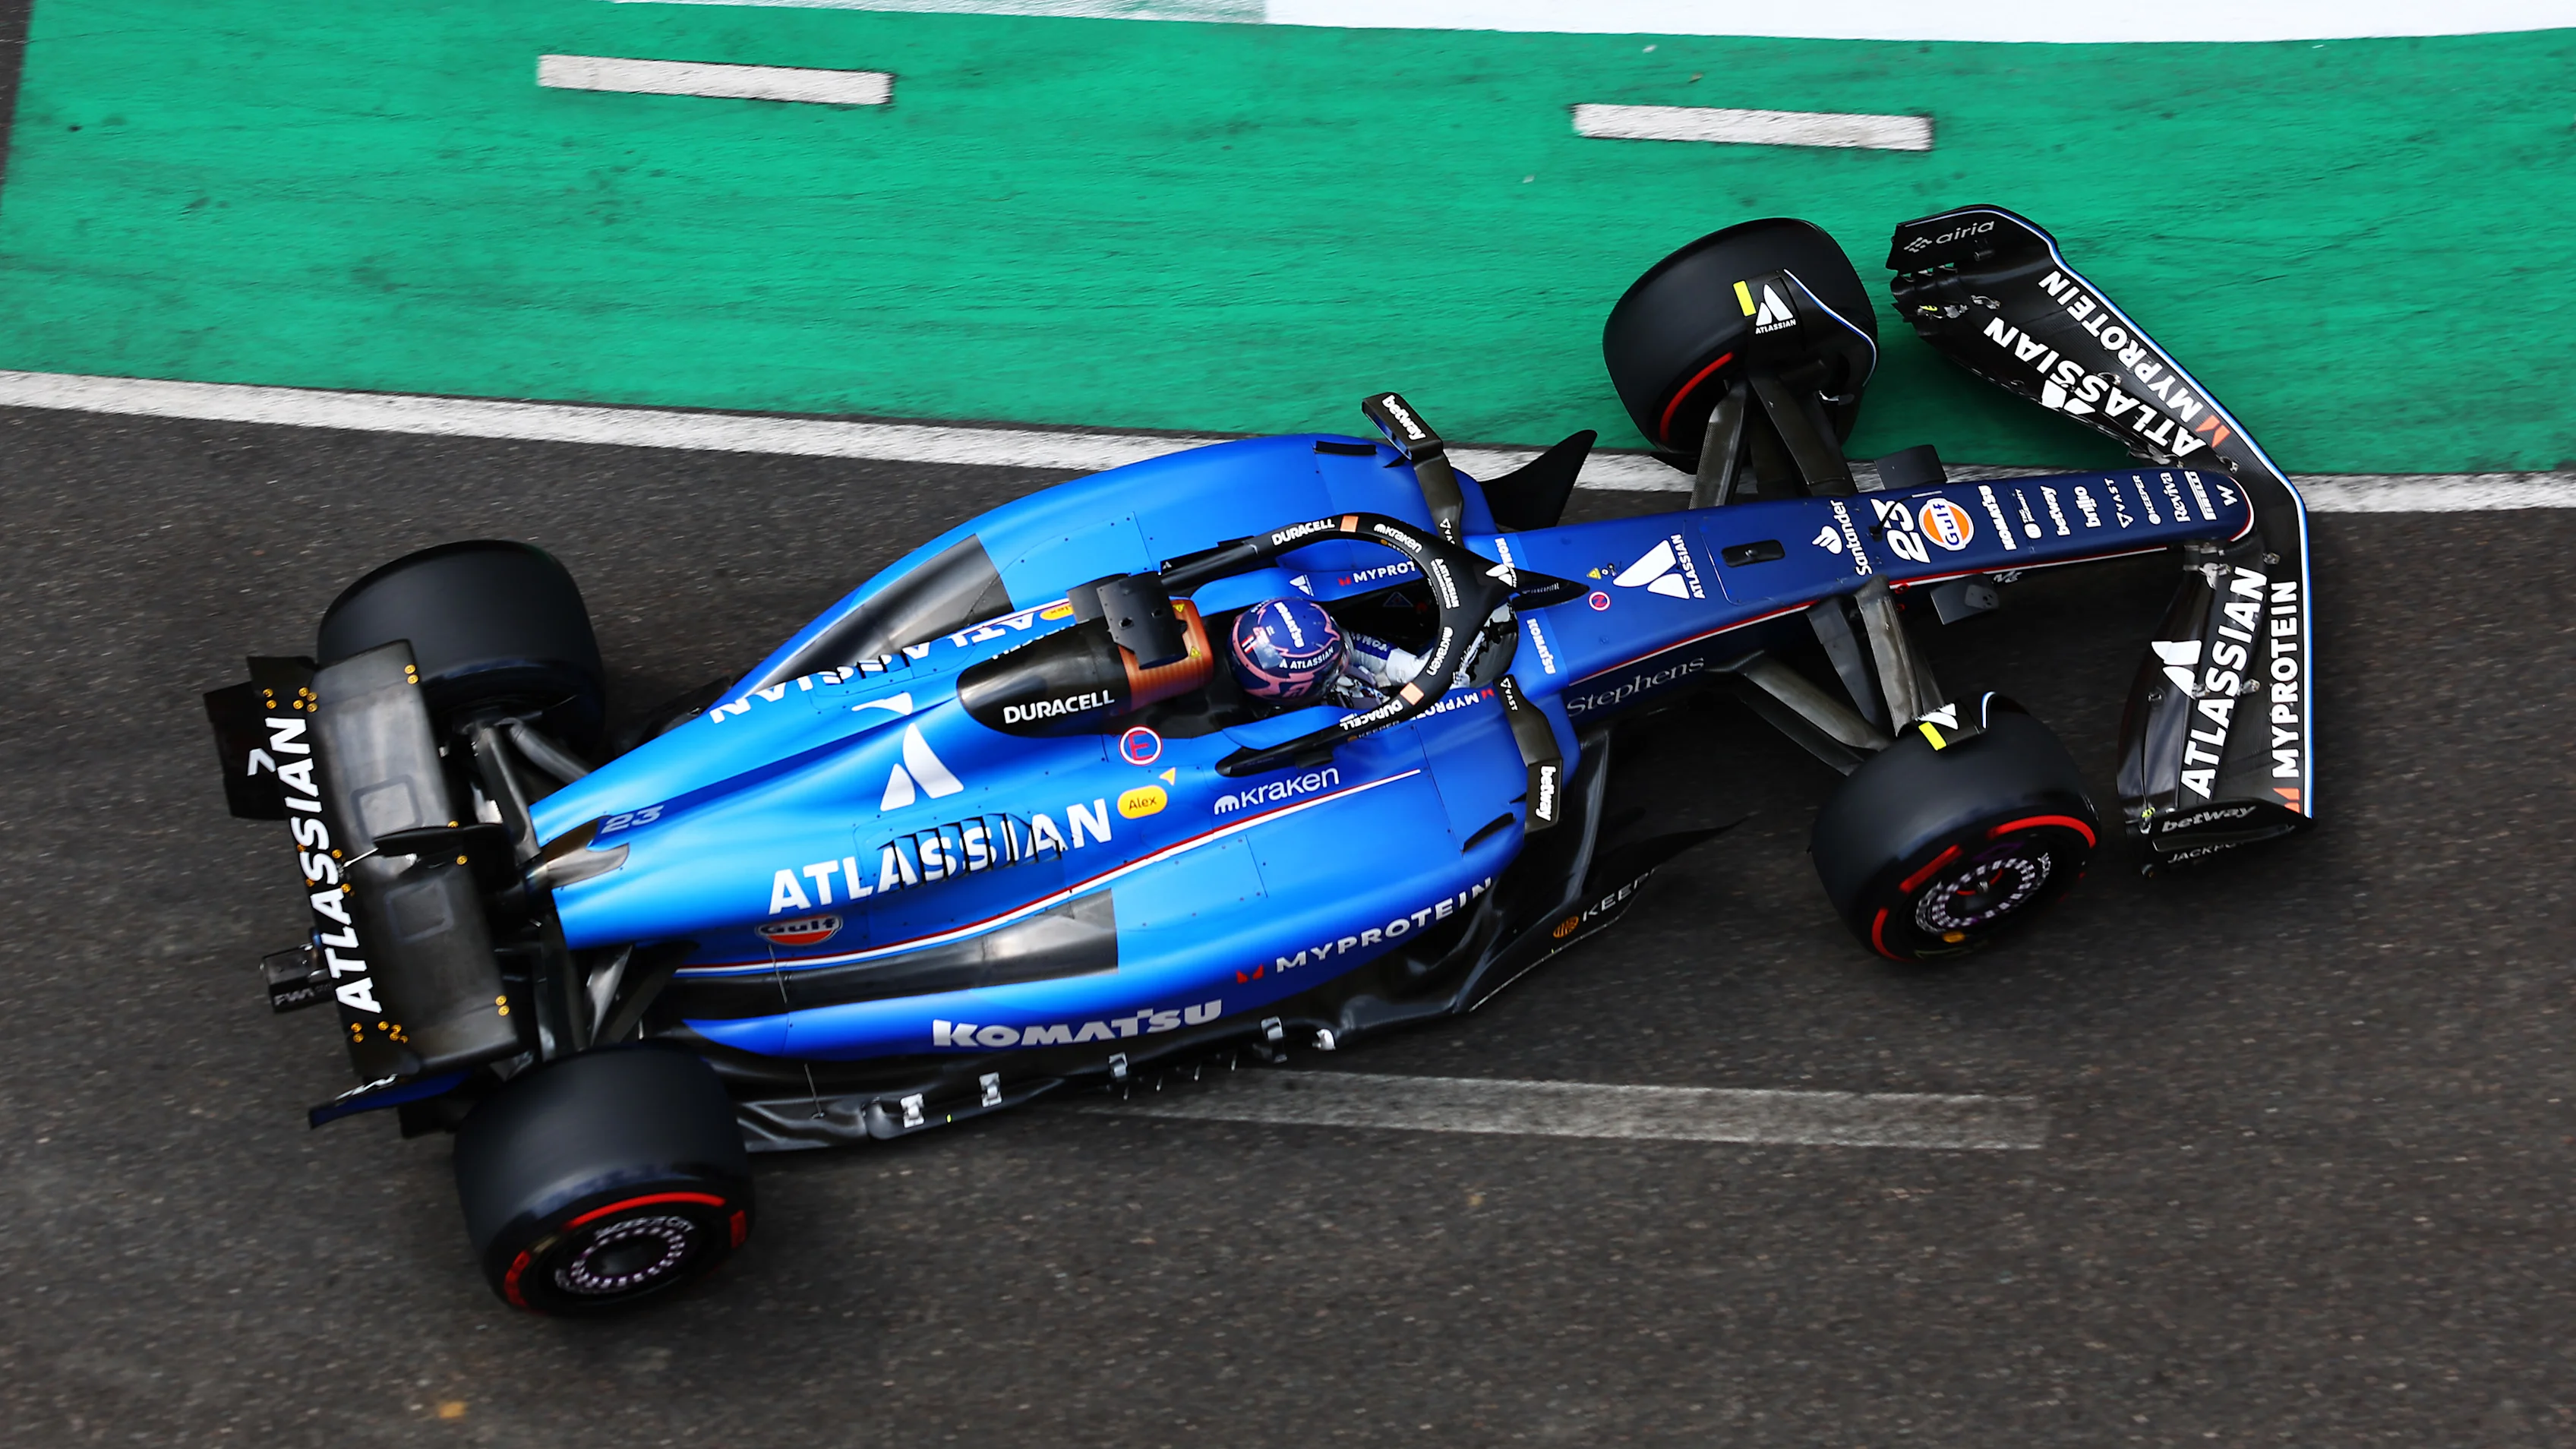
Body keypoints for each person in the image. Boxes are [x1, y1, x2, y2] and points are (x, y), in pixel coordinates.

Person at [1226, 597, 1425, 710]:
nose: (1342, 663)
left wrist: (1418, 669)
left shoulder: (1322, 645)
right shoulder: (1317, 730)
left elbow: (1348, 644)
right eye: (1333, 667)